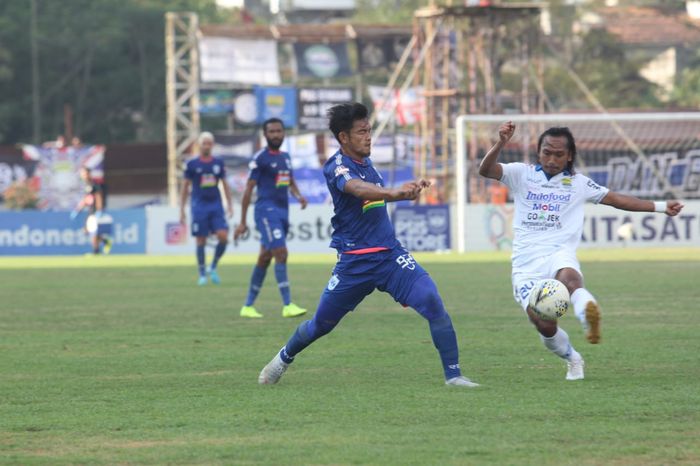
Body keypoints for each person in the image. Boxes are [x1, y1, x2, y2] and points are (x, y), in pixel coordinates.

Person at [257, 102, 479, 387]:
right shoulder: (336, 166)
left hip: (390, 256)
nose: (368, 137)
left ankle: (454, 376)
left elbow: (372, 192)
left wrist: (402, 189)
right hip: (355, 262)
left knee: (432, 301)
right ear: (343, 138)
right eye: (361, 132)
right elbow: (356, 189)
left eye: (369, 130)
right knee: (321, 325)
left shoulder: (367, 163)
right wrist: (394, 193)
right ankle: (282, 359)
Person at [478, 122, 684, 380]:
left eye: (559, 154)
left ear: (570, 156)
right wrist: (501, 143)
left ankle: (588, 314)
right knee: (543, 323)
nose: (552, 159)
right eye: (546, 152)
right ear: (539, 152)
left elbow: (617, 200)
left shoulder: (579, 183)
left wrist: (662, 206)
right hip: (526, 262)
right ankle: (573, 358)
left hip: (558, 251)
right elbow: (485, 170)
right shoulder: (521, 174)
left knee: (571, 279)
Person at [234, 118, 309, 319]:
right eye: (272, 132)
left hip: (283, 212)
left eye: (279, 131)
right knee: (281, 253)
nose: (276, 135)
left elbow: (290, 181)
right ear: (265, 135)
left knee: (265, 258)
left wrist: (299, 195)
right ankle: (287, 305)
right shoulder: (260, 158)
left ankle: (248, 306)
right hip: (266, 211)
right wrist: (242, 222)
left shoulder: (286, 157)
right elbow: (249, 189)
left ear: (283, 133)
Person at [180, 131, 233, 286]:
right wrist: (182, 209)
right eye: (204, 143)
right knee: (200, 239)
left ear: (213, 145)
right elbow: (184, 187)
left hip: (216, 205)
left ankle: (213, 266)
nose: (207, 146)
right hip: (199, 206)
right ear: (199, 145)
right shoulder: (192, 164)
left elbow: (225, 184)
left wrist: (229, 204)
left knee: (223, 236)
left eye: (209, 143)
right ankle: (202, 273)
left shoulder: (218, 163)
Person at [72, 166, 112, 255]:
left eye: (85, 173)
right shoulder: (86, 185)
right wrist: (78, 210)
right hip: (90, 211)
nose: (83, 175)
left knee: (93, 232)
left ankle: (96, 251)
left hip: (95, 211)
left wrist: (99, 210)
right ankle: (105, 241)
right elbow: (86, 200)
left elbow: (98, 197)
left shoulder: (94, 185)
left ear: (89, 174)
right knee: (87, 231)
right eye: (82, 173)